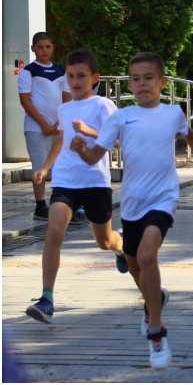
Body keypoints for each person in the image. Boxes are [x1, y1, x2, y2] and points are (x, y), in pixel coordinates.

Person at [70, 52, 193, 370]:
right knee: (135, 267)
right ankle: (152, 301)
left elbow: (192, 137)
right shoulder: (120, 118)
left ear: (162, 82)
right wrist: (83, 149)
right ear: (130, 84)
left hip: (163, 198)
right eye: (136, 79)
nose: (142, 84)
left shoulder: (172, 113)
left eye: (149, 77)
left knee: (146, 257)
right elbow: (95, 155)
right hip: (132, 203)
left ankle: (156, 333)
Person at [25, 48, 127, 325]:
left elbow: (117, 141)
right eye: (70, 76)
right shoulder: (65, 107)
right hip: (66, 181)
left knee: (104, 242)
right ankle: (47, 299)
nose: (75, 81)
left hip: (95, 183)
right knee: (54, 230)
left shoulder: (103, 105)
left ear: (94, 77)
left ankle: (121, 246)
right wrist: (45, 168)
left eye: (81, 75)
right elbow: (61, 138)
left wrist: (90, 131)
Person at [17, 32, 72, 221]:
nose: (44, 50)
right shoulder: (28, 71)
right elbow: (25, 101)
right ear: (33, 49)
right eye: (40, 47)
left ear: (53, 48)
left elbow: (67, 98)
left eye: (48, 47)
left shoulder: (60, 71)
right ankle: (40, 206)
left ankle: (63, 204)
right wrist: (43, 123)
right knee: (40, 167)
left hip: (58, 128)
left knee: (61, 167)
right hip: (36, 127)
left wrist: (59, 122)